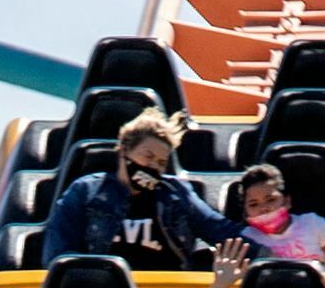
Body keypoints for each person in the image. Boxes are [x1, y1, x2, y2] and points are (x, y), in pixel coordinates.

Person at [41, 107, 223, 270]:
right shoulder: (85, 191)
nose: (153, 166)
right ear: (123, 151)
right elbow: (58, 256)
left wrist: (250, 241)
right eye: (148, 156)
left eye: (161, 163)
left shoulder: (176, 192)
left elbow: (218, 228)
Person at [225, 157, 325, 288]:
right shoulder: (244, 239)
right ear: (245, 212)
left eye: (271, 200)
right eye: (254, 204)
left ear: (287, 201)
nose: (264, 209)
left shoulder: (313, 224)